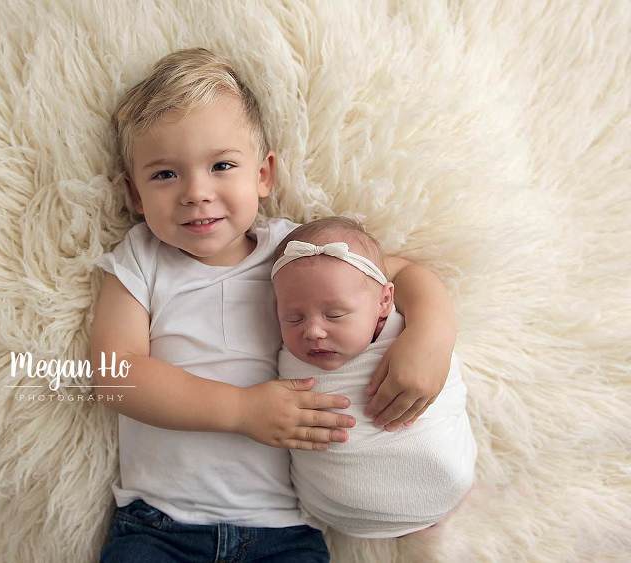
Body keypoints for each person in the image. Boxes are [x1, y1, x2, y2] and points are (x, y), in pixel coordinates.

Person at [90, 47, 457, 562]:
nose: (197, 192)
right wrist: (241, 410)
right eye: (165, 175)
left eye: (221, 165)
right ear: (134, 193)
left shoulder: (296, 252)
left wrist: (430, 336)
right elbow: (115, 375)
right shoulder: (139, 260)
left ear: (263, 175)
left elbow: (405, 274)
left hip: (283, 529)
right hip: (161, 524)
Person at [271, 216, 477, 539]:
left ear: (384, 302)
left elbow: (405, 272)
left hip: (442, 483)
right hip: (335, 511)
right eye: (292, 317)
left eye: (335, 314)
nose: (312, 331)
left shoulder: (400, 324)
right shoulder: (286, 348)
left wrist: (429, 332)